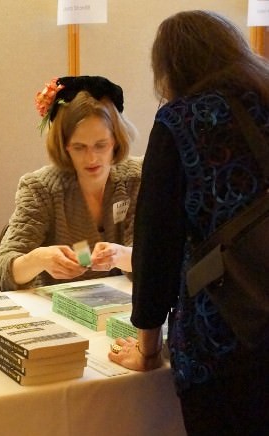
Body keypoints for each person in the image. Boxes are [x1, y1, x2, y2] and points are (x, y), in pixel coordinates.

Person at [108, 11, 269, 435]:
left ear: (170, 68)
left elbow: (156, 242)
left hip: (223, 336)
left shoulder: (181, 120)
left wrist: (147, 345)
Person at [0, 76, 142, 291]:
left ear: (117, 140)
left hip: (122, 308)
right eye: (79, 147)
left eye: (101, 145)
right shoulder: (40, 188)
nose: (92, 158)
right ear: (64, 146)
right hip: (56, 311)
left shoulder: (137, 179)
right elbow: (1, 271)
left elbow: (156, 260)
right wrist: (39, 259)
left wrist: (121, 256)